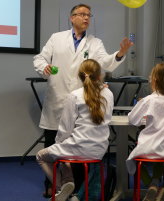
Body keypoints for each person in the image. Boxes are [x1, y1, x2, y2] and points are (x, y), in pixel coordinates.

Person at [33, 3, 132, 197]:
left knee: (75, 147)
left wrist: (120, 53)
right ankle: (52, 185)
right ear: (72, 18)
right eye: (82, 14)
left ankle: (73, 186)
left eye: (89, 15)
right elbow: (40, 58)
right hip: (57, 97)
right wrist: (43, 67)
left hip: (79, 99)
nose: (86, 18)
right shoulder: (57, 38)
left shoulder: (95, 43)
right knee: (52, 142)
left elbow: (105, 63)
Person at [36, 59, 114, 201]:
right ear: (99, 75)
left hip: (78, 147)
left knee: (42, 156)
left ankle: (62, 189)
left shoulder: (75, 95)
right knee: (64, 154)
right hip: (99, 151)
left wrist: (58, 144)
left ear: (80, 76)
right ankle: (71, 191)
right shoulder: (108, 94)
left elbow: (65, 128)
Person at [126, 62, 164, 201]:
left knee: (132, 161)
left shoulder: (149, 100)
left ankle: (152, 186)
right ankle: (157, 183)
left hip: (148, 147)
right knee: (161, 160)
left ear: (154, 80)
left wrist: (146, 118)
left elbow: (132, 120)